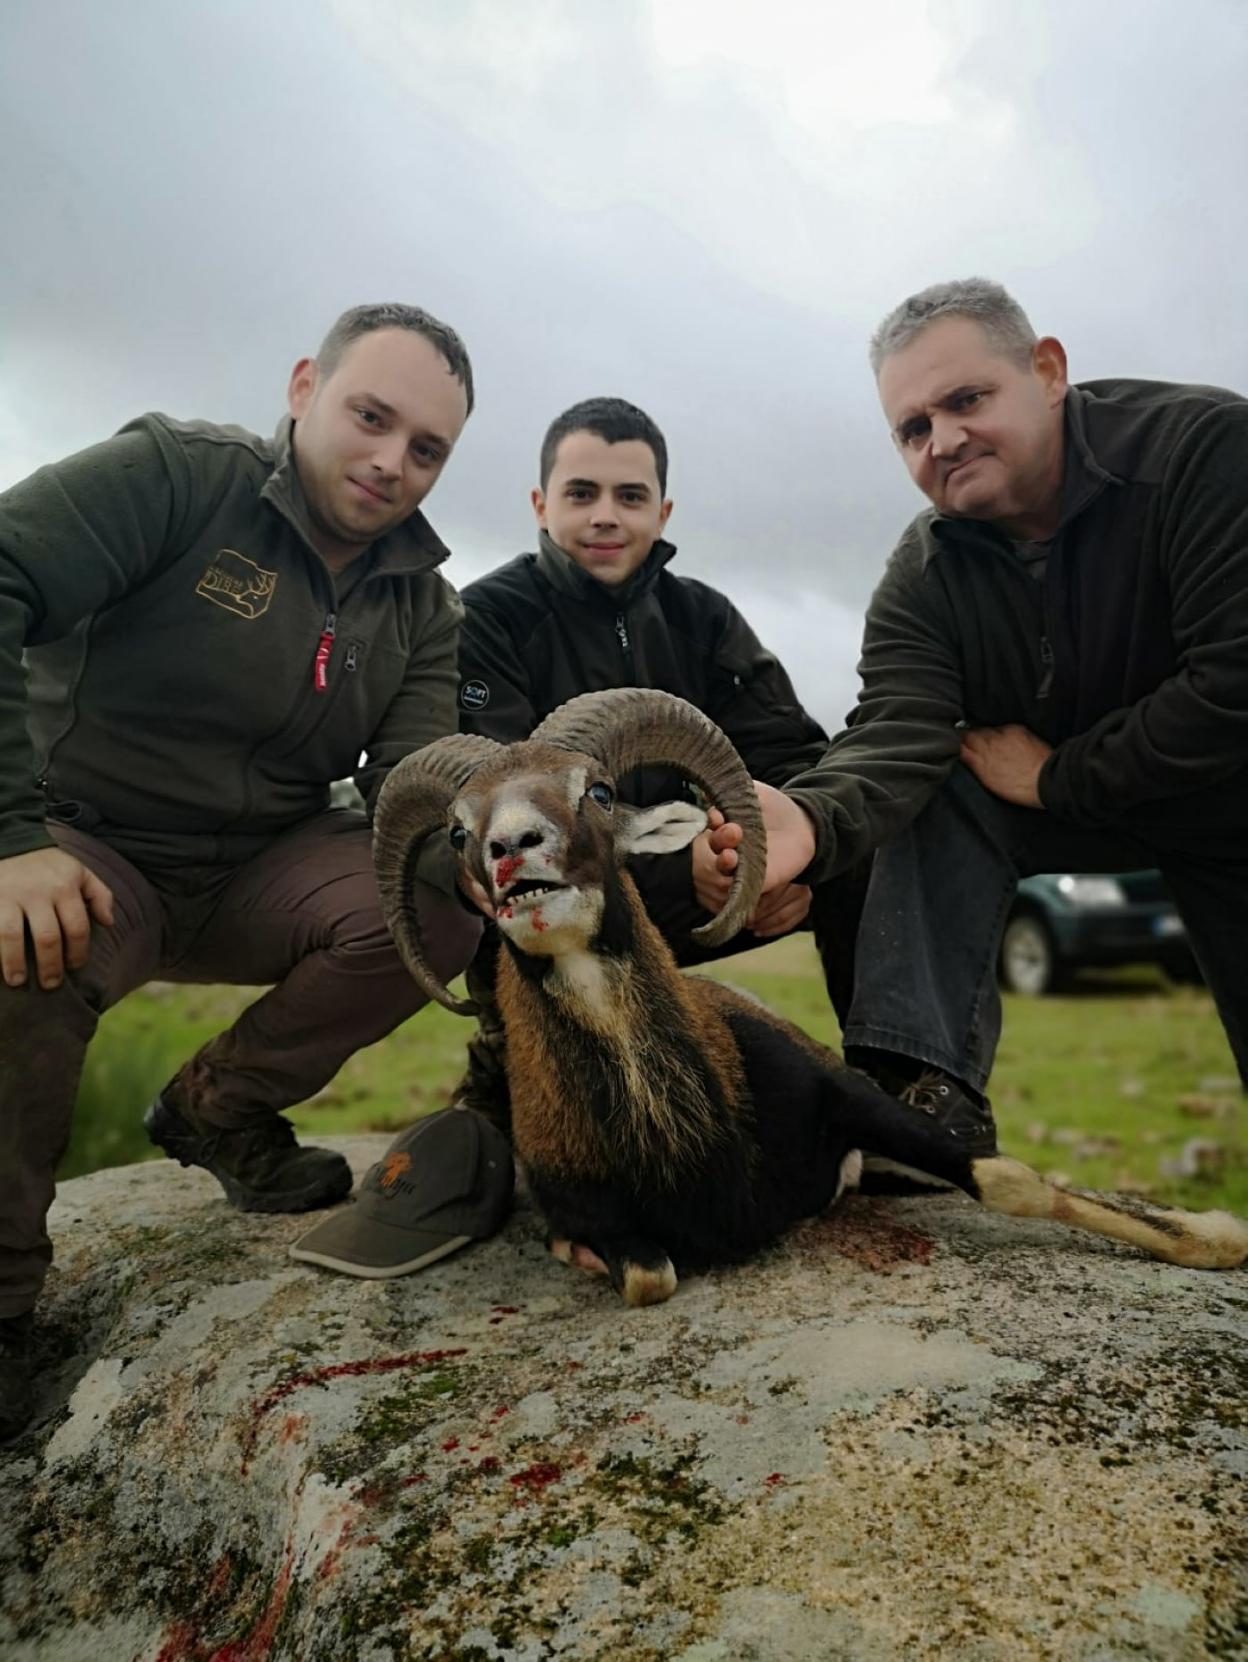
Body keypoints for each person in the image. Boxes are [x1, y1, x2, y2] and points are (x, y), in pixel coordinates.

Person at [0, 303, 484, 1437]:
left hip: (260, 860)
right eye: (372, 417)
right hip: (85, 843)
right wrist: (10, 838)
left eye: (427, 450)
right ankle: (6, 1310)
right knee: (14, 961)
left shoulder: (422, 598)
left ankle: (218, 1107)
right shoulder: (177, 475)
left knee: (433, 906)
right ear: (306, 385)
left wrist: (474, 846)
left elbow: (408, 775)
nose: (390, 462)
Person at [758, 276, 1248, 1149]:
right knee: (930, 785)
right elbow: (896, 728)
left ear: (1049, 371)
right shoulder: (923, 570)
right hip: (1061, 814)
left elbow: (1235, 684)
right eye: (912, 429)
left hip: (1229, 800)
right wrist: (807, 820)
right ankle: (920, 1106)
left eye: (967, 400)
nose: (942, 440)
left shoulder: (1206, 451)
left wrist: (1060, 775)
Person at [449, 396, 830, 1126]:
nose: (605, 516)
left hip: (709, 887)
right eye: (581, 493)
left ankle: (899, 1085)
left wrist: (775, 864)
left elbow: (794, 755)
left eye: (630, 496)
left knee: (866, 849)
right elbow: (496, 811)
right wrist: (673, 870)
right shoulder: (489, 618)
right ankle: (508, 1068)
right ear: (539, 503)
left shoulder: (705, 617)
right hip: (548, 903)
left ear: (663, 510)